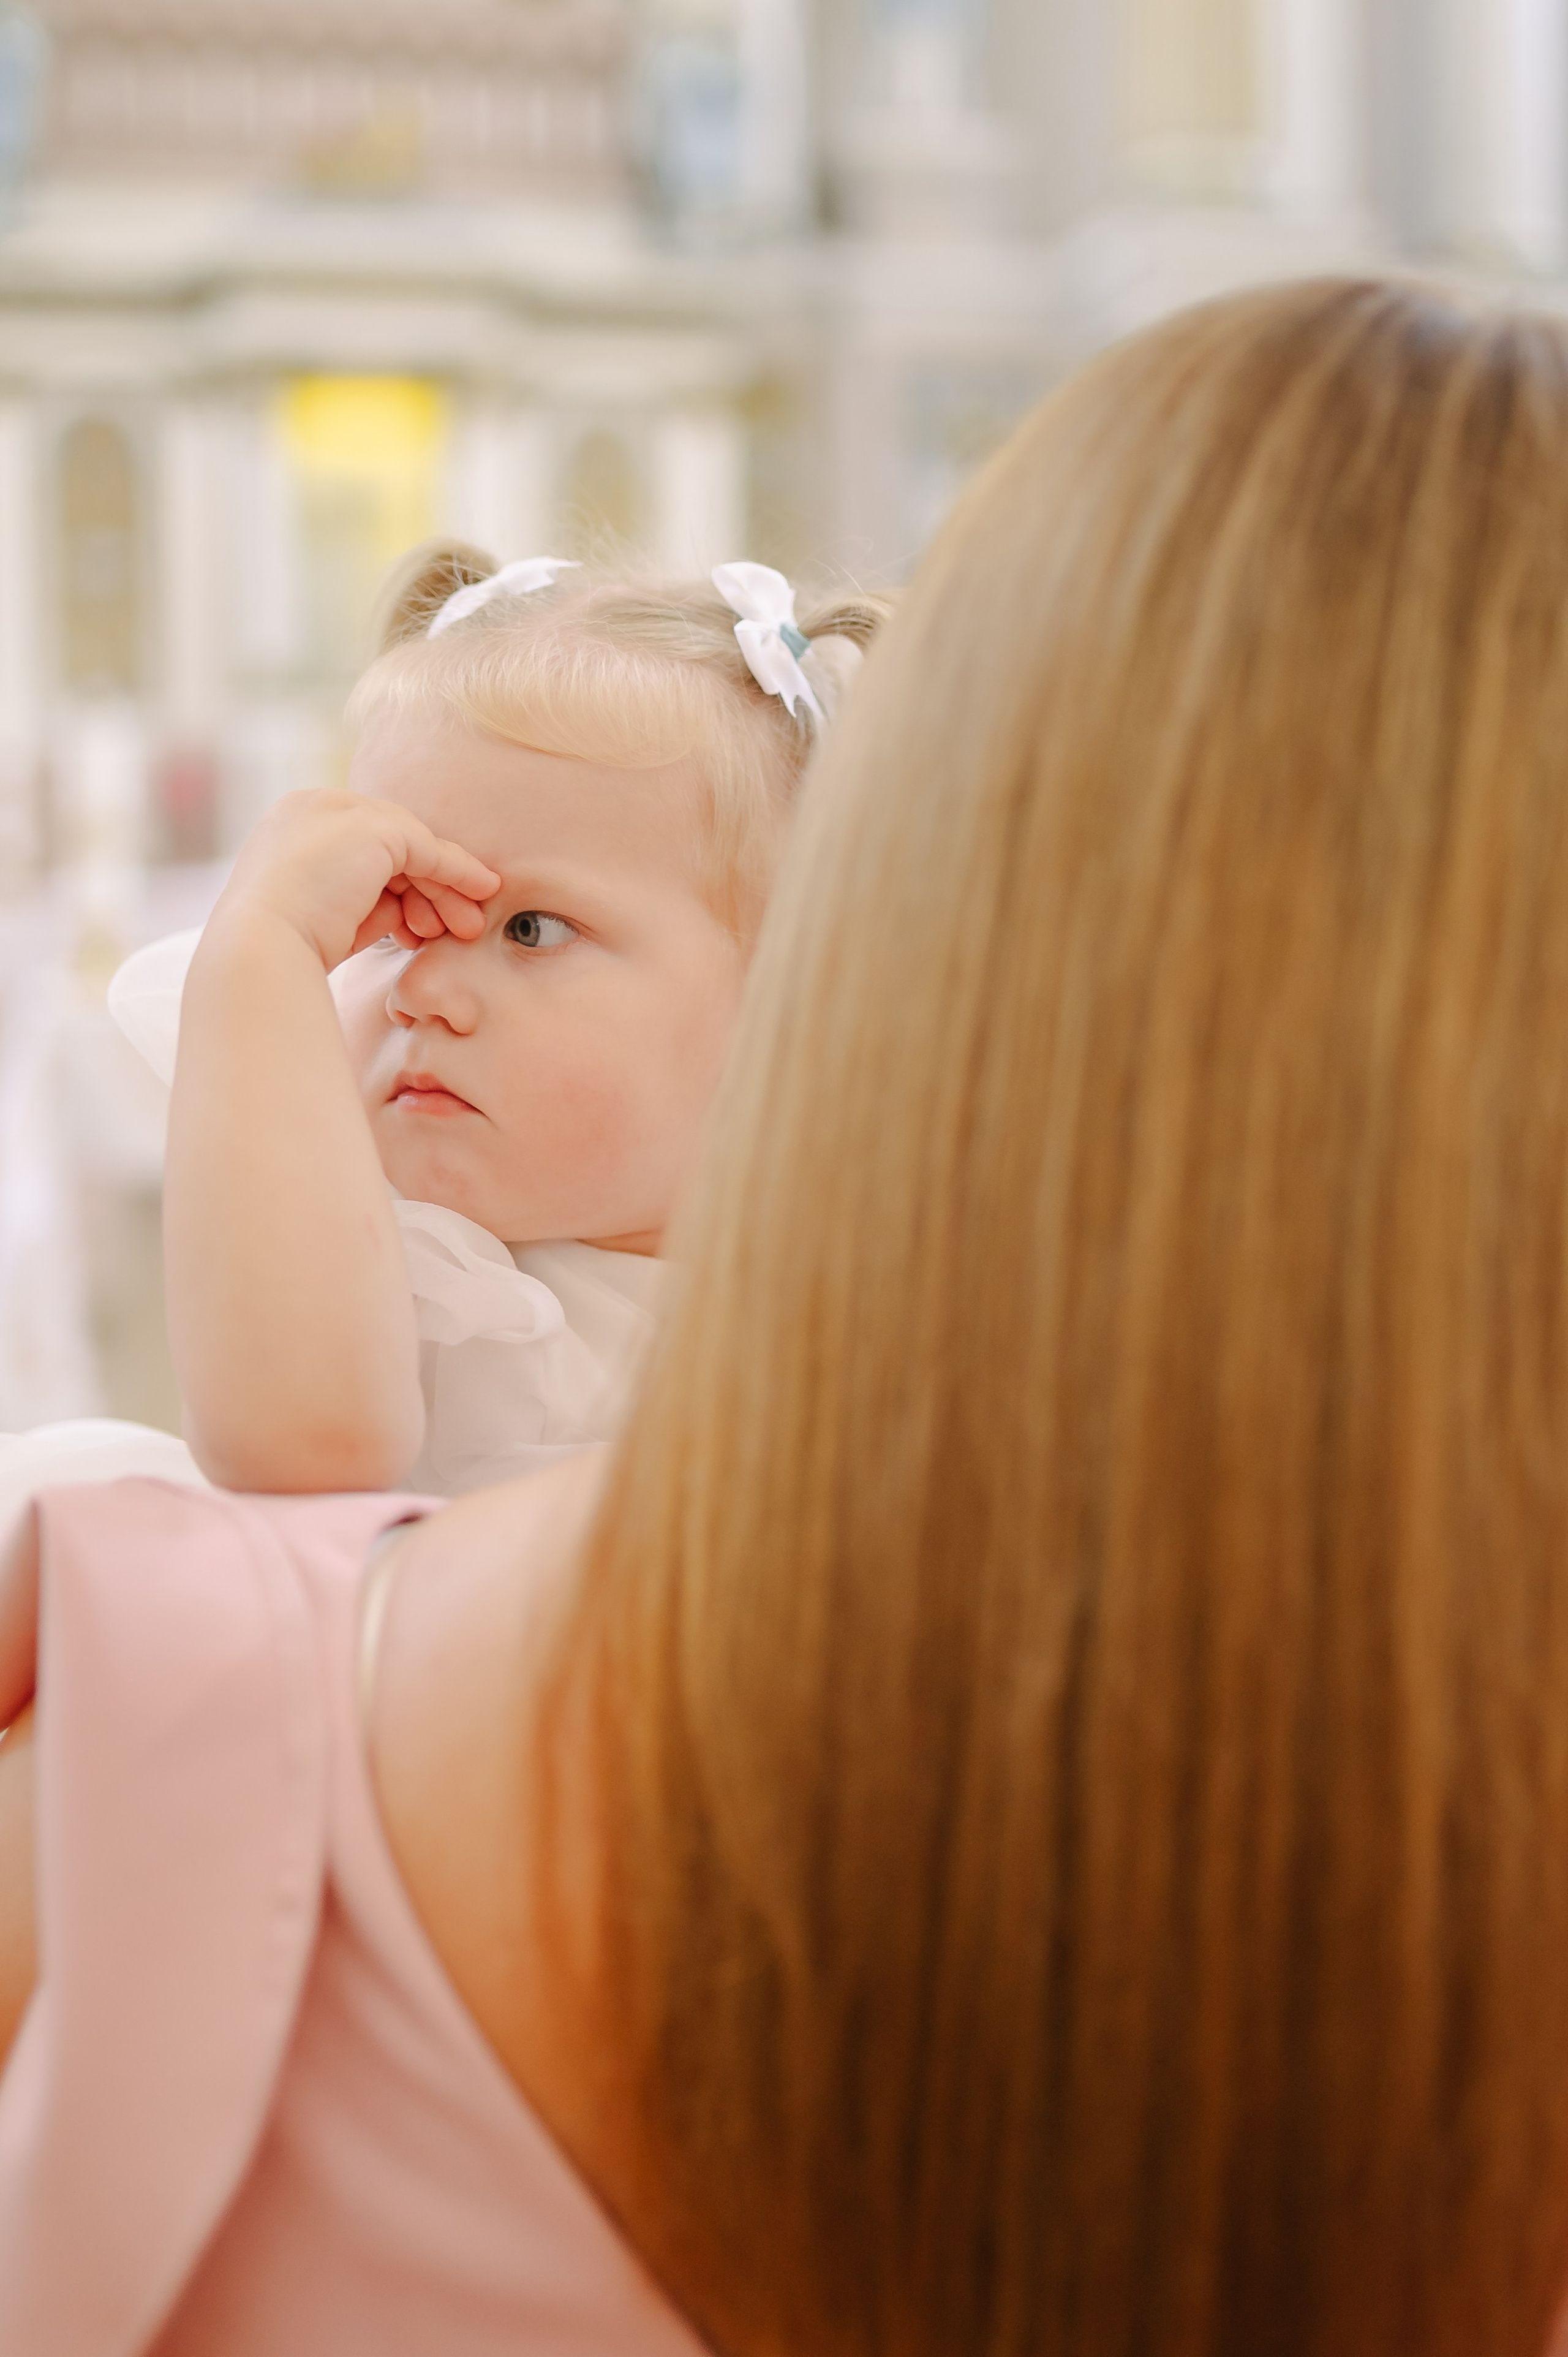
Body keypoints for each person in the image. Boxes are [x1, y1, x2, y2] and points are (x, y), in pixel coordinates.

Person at [7, 271, 1568, 2355]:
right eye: (421, 922)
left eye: (540, 924)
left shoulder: (168, 1713)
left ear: (876, 939)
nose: (436, 983)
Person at [0, 550, 885, 1518]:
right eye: (391, 915)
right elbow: (290, 1457)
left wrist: (261, 952)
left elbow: (309, 1448)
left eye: (531, 930)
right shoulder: (378, 1239)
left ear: (795, 991)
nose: (424, 992)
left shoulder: (863, 1314)